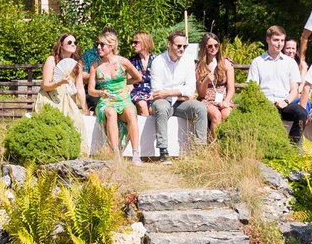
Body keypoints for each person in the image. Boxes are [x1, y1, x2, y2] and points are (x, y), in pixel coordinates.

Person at [146, 29, 208, 158]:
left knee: (200, 108)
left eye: (185, 46)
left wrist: (168, 92)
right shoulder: (158, 61)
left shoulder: (188, 61)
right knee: (161, 107)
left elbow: (191, 89)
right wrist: (181, 93)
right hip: (164, 102)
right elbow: (157, 92)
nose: (182, 49)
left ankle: (199, 150)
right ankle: (163, 151)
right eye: (179, 46)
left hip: (180, 104)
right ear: (169, 44)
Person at [88, 30, 142, 161]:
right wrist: (100, 92)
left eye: (102, 45)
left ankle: (136, 154)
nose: (98, 47)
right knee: (111, 112)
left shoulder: (123, 62)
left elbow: (138, 77)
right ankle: (116, 154)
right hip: (106, 102)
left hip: (123, 99)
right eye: (97, 44)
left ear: (111, 46)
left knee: (131, 112)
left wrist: (124, 84)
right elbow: (90, 90)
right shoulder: (95, 65)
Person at [40, 33, 87, 120]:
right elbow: (45, 86)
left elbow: (80, 88)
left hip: (69, 100)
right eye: (69, 42)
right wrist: (60, 82)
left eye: (75, 42)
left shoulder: (77, 63)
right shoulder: (52, 60)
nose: (73, 44)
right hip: (51, 98)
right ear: (61, 45)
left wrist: (85, 109)